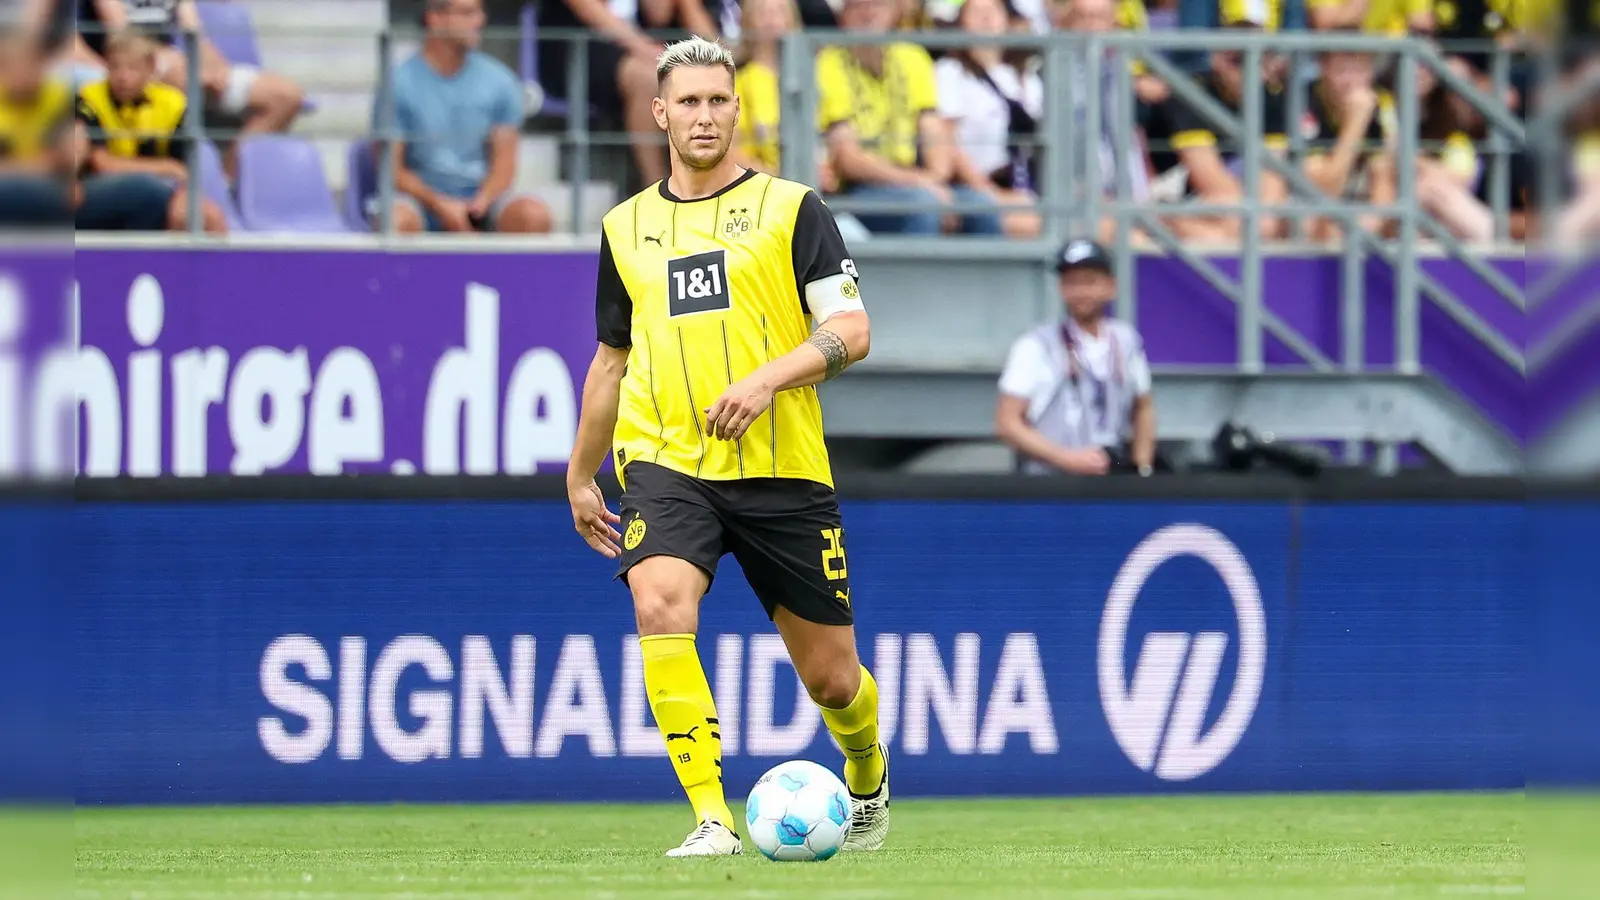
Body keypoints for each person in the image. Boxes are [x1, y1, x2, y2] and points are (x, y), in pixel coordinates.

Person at [565, 36, 889, 858]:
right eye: (690, 102)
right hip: (667, 461)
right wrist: (578, 474)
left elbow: (851, 330)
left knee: (833, 680)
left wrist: (766, 381)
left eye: (719, 100)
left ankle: (866, 771)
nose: (704, 116)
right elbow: (610, 360)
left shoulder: (792, 209)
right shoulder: (624, 226)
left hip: (781, 467)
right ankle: (712, 817)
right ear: (659, 111)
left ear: (738, 109)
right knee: (658, 602)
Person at [817, 0, 1002, 235]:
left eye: (877, 5)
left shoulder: (912, 56)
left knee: (981, 205)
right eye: (858, 4)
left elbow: (933, 131)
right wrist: (919, 182)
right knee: (922, 205)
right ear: (843, 14)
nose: (868, 12)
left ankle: (984, 274)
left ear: (895, 11)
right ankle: (923, 274)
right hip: (859, 188)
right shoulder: (828, 62)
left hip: (913, 180)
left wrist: (934, 179)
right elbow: (849, 159)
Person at [381, 0, 551, 234]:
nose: (480, 20)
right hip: (419, 202)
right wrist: (439, 204)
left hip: (482, 203)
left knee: (532, 216)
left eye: (480, 11)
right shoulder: (398, 83)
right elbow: (392, 169)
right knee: (394, 220)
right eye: (467, 12)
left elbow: (505, 165)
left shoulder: (501, 81)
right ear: (435, 18)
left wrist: (478, 205)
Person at [995, 239, 1157, 477]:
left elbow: (1143, 407)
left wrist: (1142, 467)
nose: (1081, 292)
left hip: (1110, 480)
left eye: (1090, 282)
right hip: (1049, 486)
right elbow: (1006, 423)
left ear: (1111, 287)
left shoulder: (1126, 340)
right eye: (1072, 283)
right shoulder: (1037, 345)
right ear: (1061, 288)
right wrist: (1067, 459)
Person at [537, 0, 716, 189]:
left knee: (702, 77)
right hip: (579, 50)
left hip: (640, 49)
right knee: (648, 78)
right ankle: (655, 184)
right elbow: (590, 10)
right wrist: (642, 48)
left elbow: (659, 15)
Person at [77, 1, 304, 150]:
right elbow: (125, 38)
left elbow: (195, 33)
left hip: (176, 64)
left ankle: (229, 182)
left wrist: (217, 68)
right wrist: (184, 65)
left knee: (285, 95)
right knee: (183, 76)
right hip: (128, 65)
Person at [1152, 5, 1290, 241]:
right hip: (1183, 195)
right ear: (1217, 59)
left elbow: (1273, 178)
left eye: (1258, 60)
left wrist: (1261, 220)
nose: (1248, 71)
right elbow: (1211, 182)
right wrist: (1256, 221)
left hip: (1242, 211)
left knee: (1289, 221)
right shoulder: (1192, 93)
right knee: (1211, 232)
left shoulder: (1273, 100)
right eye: (1238, 60)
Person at [76, 29, 225, 233]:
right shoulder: (90, 98)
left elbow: (185, 168)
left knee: (208, 216)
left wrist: (182, 191)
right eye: (115, 67)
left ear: (150, 68)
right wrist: (168, 168)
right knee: (149, 194)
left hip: (163, 185)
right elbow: (103, 164)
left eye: (132, 68)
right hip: (103, 187)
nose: (122, 77)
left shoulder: (173, 104)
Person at [936, 0, 1045, 237]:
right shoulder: (950, 72)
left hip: (1028, 189)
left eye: (993, 11)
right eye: (976, 11)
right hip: (978, 191)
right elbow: (947, 143)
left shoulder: (1026, 77)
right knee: (1054, 227)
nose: (985, 18)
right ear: (961, 22)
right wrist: (991, 192)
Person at [1302, 42, 1398, 240]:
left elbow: (1384, 181)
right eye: (1342, 71)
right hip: (1307, 203)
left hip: (1357, 208)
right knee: (1312, 225)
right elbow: (1324, 190)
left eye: (1359, 71)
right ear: (1323, 68)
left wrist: (1370, 225)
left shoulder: (1382, 103)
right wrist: (1355, 122)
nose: (1351, 82)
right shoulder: (1305, 102)